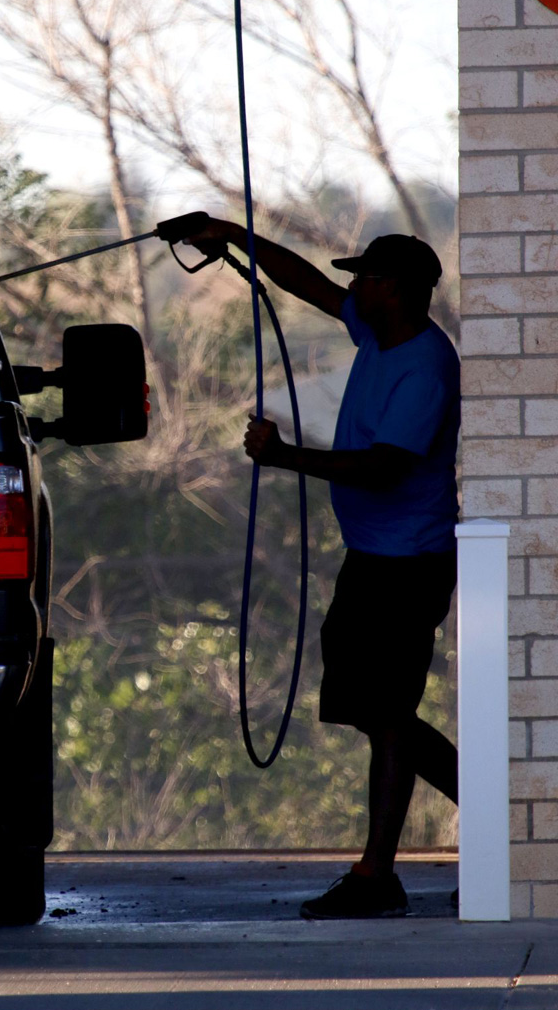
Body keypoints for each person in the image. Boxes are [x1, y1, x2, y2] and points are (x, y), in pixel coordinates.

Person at [189, 218, 460, 919]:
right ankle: (497, 808)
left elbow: (385, 467)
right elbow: (306, 282)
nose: (352, 285)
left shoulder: (425, 368)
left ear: (393, 289)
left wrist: (283, 457)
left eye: (364, 276)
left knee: (389, 713)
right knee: (375, 709)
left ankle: (378, 875)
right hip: (373, 558)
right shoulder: (378, 335)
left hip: (408, 564)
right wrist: (229, 234)